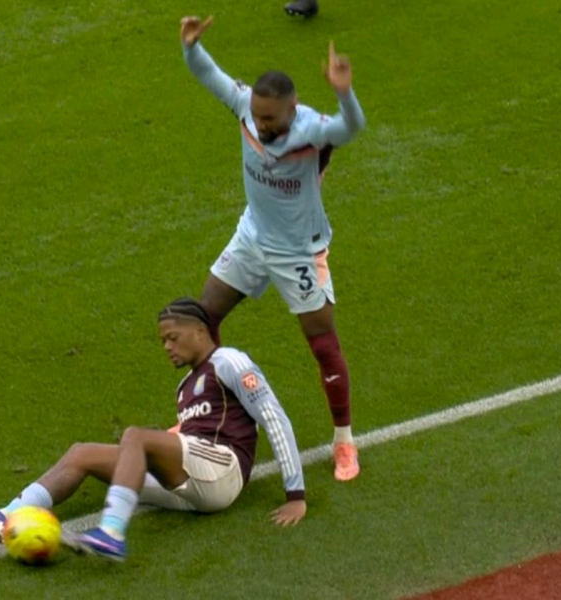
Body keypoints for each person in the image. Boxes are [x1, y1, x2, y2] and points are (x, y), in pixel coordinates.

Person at [0, 297, 306, 562]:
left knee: (135, 435)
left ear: (200, 331)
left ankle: (111, 533)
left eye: (173, 337)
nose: (167, 347)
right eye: (163, 340)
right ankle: (7, 515)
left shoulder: (229, 361)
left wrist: (296, 496)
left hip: (224, 471)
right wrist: (137, 455)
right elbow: (181, 439)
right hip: (192, 485)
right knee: (82, 453)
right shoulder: (184, 387)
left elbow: (274, 418)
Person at [180, 16, 366, 481]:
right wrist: (192, 47)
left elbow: (351, 127)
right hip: (252, 237)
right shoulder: (245, 106)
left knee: (322, 343)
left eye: (270, 118)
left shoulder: (311, 129)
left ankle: (344, 440)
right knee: (203, 318)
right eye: (257, 116)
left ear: (292, 109)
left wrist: (344, 92)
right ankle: (211, 419)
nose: (260, 125)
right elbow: (210, 76)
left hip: (298, 253)